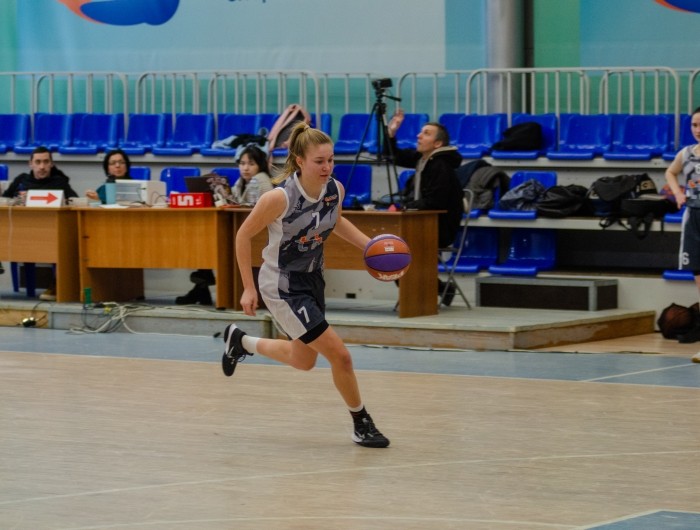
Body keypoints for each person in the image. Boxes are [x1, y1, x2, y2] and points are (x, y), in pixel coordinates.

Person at [221, 122, 390, 448]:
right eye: (319, 161)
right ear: (299, 160)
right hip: (282, 284)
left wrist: (371, 247)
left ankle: (241, 341)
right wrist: (248, 287)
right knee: (340, 356)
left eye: (331, 160)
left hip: (313, 279)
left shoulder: (334, 189)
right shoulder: (279, 197)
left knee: (304, 360)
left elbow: (336, 221)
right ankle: (362, 423)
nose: (327, 167)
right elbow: (242, 235)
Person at [174, 145, 275, 305]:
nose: (245, 168)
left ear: (260, 166)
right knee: (209, 238)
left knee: (213, 241)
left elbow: (251, 208)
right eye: (242, 163)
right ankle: (202, 285)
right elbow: (234, 202)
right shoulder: (242, 182)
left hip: (260, 234)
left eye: (251, 164)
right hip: (242, 230)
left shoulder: (260, 180)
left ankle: (202, 284)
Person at [386, 108, 464, 306]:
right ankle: (438, 288)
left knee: (394, 251)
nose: (419, 136)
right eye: (421, 132)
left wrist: (405, 207)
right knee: (389, 248)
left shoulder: (441, 166)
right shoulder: (424, 160)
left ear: (437, 144)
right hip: (419, 223)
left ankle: (425, 294)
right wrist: (392, 132)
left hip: (438, 226)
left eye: (426, 133)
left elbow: (435, 202)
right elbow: (394, 156)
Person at [2, 146, 78, 301]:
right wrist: (16, 201)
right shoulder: (21, 180)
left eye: (45, 162)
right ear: (30, 164)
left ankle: (57, 284)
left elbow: (74, 202)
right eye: (38, 162)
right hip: (20, 232)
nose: (42, 166)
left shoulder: (60, 182)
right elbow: (5, 200)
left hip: (51, 234)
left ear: (51, 164)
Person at [663, 106, 700, 363]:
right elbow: (670, 172)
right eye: (695, 125)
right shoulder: (686, 154)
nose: (698, 130)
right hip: (694, 219)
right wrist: (677, 193)